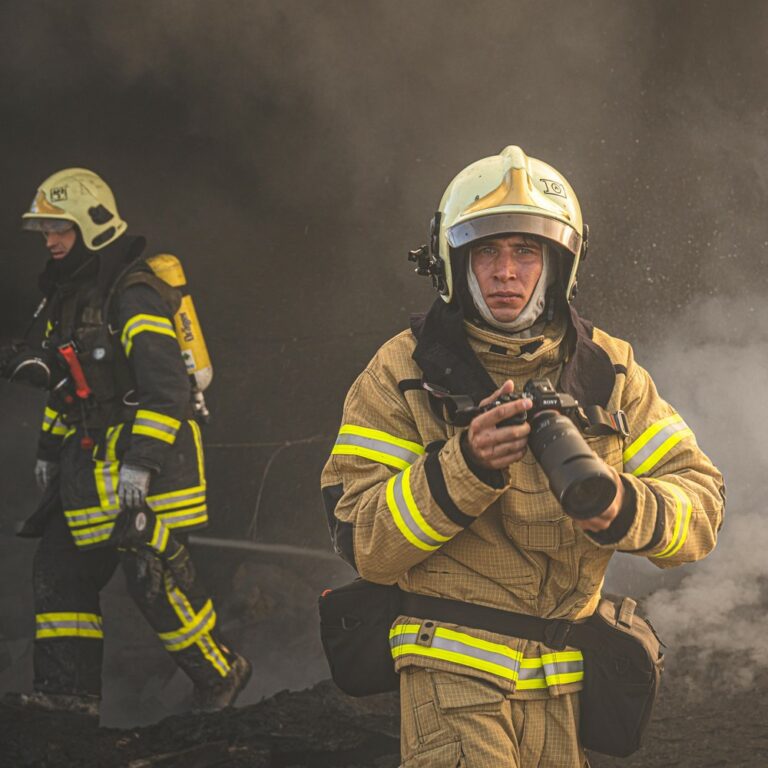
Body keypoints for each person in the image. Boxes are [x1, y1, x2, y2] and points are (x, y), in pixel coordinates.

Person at [320, 146, 724, 766]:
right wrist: (466, 467)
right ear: (453, 263)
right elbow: (363, 538)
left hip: (562, 684)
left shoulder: (609, 372)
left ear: (561, 262)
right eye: (486, 251)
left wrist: (623, 505)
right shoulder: (403, 371)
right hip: (450, 669)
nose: (505, 271)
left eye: (525, 252)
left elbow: (700, 506)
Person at [7, 168, 250, 718]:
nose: (50, 241)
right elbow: (67, 387)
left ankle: (221, 674)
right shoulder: (67, 299)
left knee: (152, 577)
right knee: (59, 568)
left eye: (59, 229)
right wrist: (48, 448)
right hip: (90, 469)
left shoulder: (134, 293)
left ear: (92, 224)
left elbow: (167, 391)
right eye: (45, 231)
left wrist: (141, 465)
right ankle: (67, 697)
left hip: (149, 468)